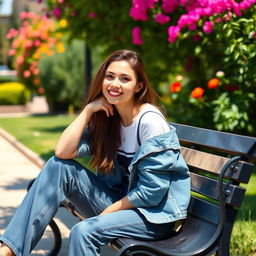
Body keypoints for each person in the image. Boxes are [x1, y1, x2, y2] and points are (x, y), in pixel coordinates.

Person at [0, 49, 190, 256]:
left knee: (83, 230)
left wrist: (107, 213)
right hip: (121, 205)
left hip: (151, 216)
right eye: (110, 76)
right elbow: (63, 151)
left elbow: (152, 192)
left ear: (139, 86)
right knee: (58, 166)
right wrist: (88, 110)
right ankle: (9, 250)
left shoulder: (149, 122)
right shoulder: (110, 119)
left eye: (125, 79)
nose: (115, 84)